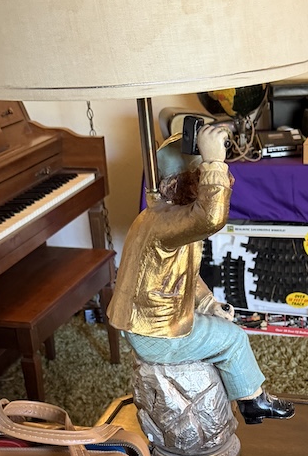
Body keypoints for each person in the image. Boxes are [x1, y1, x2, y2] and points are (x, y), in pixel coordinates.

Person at [106, 123, 294, 425]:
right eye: (199, 180)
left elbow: (185, 278)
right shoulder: (168, 224)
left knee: (220, 328)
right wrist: (214, 162)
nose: (204, 188)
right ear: (184, 184)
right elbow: (211, 217)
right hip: (155, 333)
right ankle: (253, 401)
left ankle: (246, 396)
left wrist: (208, 304)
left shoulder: (161, 215)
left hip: (143, 323)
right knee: (233, 339)